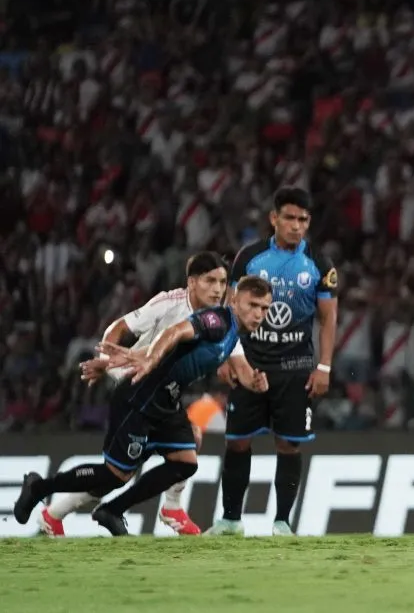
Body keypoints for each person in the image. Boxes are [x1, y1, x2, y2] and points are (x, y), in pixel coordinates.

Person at [13, 275, 274, 536]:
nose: (259, 314)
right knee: (114, 475)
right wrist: (150, 361)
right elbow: (174, 332)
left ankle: (113, 510)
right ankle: (39, 488)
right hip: (141, 396)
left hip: (166, 401)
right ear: (236, 300)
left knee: (185, 462)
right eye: (253, 305)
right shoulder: (217, 321)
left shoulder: (233, 335)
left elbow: (243, 373)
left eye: (264, 308)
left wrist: (257, 383)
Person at [207, 187, 339, 537]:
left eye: (303, 220)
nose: (297, 226)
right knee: (236, 440)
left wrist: (324, 367)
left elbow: (328, 318)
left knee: (288, 443)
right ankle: (231, 520)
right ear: (274, 219)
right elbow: (229, 309)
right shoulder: (249, 258)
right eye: (290, 218)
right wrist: (225, 356)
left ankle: (282, 522)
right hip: (250, 364)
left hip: (295, 367)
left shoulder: (319, 263)